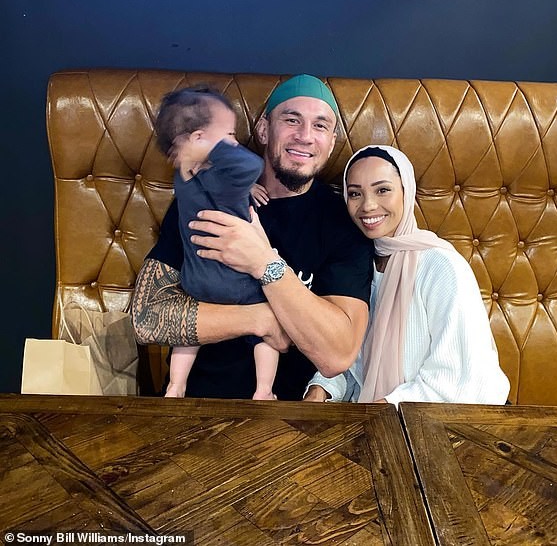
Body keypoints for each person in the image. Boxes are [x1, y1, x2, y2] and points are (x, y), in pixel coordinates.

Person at [132, 75, 374, 399]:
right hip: (193, 406)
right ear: (263, 130)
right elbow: (146, 318)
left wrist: (263, 262)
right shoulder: (206, 197)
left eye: (320, 126)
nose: (305, 136)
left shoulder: (344, 224)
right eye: (291, 120)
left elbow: (337, 355)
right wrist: (260, 318)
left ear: (331, 142)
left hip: (286, 415)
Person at [304, 145, 510, 405]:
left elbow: (459, 378)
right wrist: (321, 388)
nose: (368, 205)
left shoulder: (441, 266)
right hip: (373, 415)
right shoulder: (356, 265)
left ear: (407, 191)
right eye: (355, 193)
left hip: (435, 420)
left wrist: (384, 409)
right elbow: (352, 356)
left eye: (382, 190)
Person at [151, 85, 280, 399]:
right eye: (229, 135)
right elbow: (251, 166)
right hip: (235, 281)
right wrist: (216, 151)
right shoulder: (225, 178)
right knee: (268, 325)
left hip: (195, 280)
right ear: (199, 139)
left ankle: (175, 385)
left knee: (188, 336)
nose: (235, 143)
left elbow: (217, 183)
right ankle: (264, 390)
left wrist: (242, 184)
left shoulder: (184, 177)